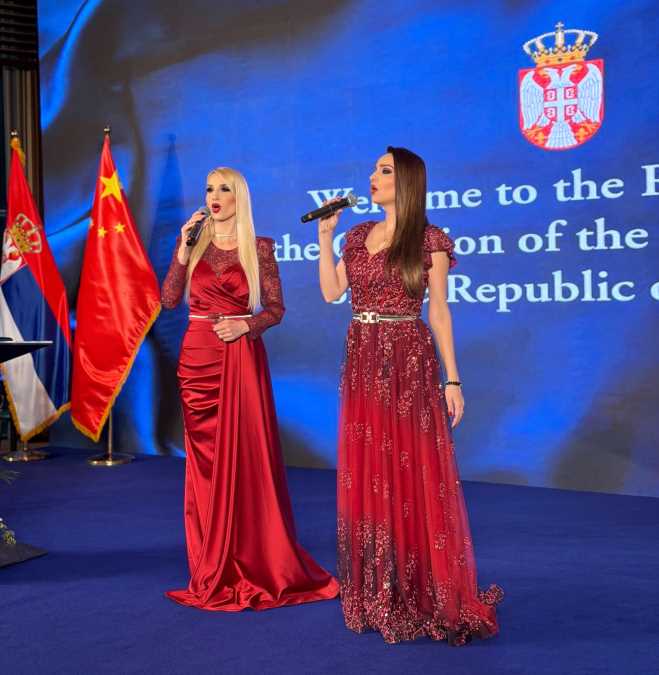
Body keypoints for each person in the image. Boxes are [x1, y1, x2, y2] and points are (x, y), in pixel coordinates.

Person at [317, 147, 502, 644]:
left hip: (407, 357)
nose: (372, 176)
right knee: (369, 467)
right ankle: (380, 586)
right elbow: (332, 293)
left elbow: (439, 310)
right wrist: (325, 237)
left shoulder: (430, 239)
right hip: (362, 354)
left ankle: (419, 585)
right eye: (373, 169)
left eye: (384, 170)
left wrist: (452, 379)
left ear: (407, 182)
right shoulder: (357, 235)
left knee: (408, 465)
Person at [162, 166, 338, 610]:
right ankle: (210, 558)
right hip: (197, 359)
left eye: (225, 189)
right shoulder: (194, 244)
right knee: (205, 461)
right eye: (209, 188)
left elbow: (276, 309)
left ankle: (251, 553)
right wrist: (182, 251)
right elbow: (168, 300)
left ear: (239, 197)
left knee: (244, 456)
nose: (215, 196)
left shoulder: (259, 247)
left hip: (240, 357)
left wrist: (246, 325)